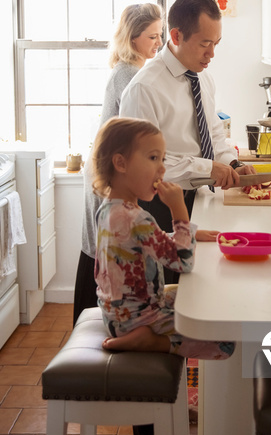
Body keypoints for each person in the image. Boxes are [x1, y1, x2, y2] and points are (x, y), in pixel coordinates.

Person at [93, 116, 235, 361]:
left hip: (114, 314)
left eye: (162, 158)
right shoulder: (138, 218)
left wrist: (185, 234)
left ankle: (144, 335)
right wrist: (180, 213)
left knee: (197, 295)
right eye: (152, 158)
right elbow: (183, 262)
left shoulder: (109, 209)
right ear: (121, 163)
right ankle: (152, 342)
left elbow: (140, 243)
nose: (162, 169)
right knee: (226, 341)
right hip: (140, 319)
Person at [119, 0, 255, 237]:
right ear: (176, 35)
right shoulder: (144, 88)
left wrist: (233, 164)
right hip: (158, 206)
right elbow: (143, 166)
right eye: (205, 43)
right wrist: (207, 169)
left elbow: (213, 134)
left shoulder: (203, 78)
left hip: (198, 198)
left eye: (216, 43)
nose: (212, 53)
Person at [73, 3, 163, 326]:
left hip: (107, 167)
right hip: (108, 173)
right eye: (152, 35)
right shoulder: (130, 74)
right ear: (133, 37)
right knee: (100, 253)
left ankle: (97, 323)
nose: (159, 41)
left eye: (160, 33)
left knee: (99, 251)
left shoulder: (134, 68)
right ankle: (94, 324)